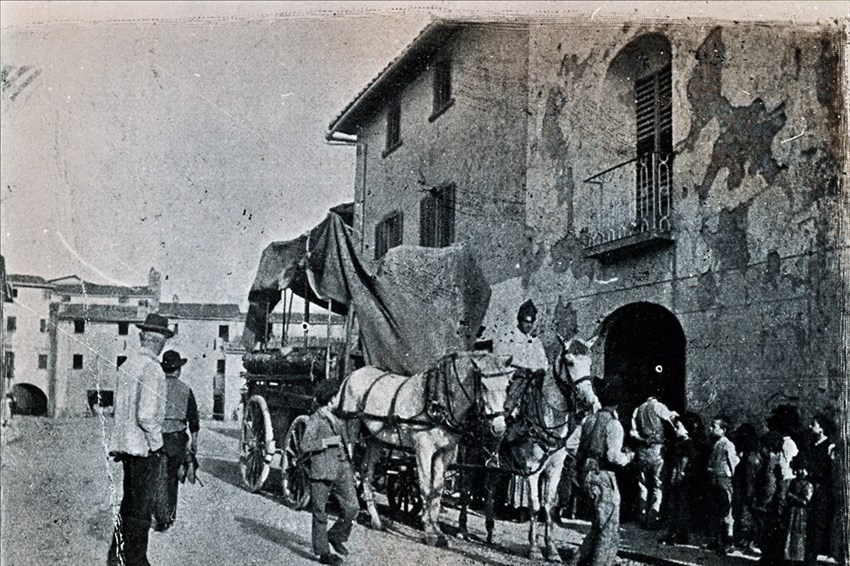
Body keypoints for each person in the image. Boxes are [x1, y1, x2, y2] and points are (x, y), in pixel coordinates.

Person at [107, 313, 173, 566]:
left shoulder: (127, 365)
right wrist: (158, 444)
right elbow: (146, 415)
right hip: (143, 448)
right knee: (141, 509)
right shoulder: (152, 369)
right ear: (160, 341)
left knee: (129, 503)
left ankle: (116, 555)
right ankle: (136, 560)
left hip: (125, 446)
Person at [567, 375, 634, 566]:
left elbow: (571, 445)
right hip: (604, 476)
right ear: (617, 404)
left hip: (585, 475)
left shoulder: (588, 420)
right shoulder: (614, 425)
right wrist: (628, 457)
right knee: (609, 526)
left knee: (598, 522)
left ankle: (579, 558)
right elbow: (613, 457)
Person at [493, 299, 549, 517]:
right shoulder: (508, 338)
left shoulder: (536, 343)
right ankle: (497, 449)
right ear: (519, 321)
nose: (528, 325)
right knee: (507, 411)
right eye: (525, 322)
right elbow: (501, 360)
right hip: (514, 382)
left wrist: (538, 370)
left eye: (531, 322)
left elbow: (544, 364)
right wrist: (521, 367)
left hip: (534, 386)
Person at [301, 379, 358, 565]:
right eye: (337, 396)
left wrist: (351, 467)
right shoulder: (316, 419)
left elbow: (346, 445)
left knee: (353, 507)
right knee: (320, 512)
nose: (339, 399)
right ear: (330, 398)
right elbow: (304, 445)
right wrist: (325, 443)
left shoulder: (338, 419)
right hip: (322, 470)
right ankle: (324, 553)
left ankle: (334, 535)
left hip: (342, 468)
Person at [158, 349, 200, 532]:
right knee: (173, 479)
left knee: (157, 477)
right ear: (178, 370)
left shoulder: (156, 386)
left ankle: (158, 515)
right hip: (177, 439)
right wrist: (194, 442)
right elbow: (194, 419)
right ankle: (169, 517)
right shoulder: (186, 389)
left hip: (157, 438)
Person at [630, 395, 678, 529]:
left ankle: (642, 515)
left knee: (643, 484)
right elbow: (672, 422)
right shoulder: (659, 406)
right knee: (658, 484)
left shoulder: (637, 409)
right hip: (657, 449)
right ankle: (653, 518)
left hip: (641, 450)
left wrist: (643, 439)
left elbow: (633, 433)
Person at [705, 415, 740, 555]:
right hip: (715, 480)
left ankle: (728, 542)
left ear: (724, 430)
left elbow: (734, 464)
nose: (711, 429)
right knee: (717, 511)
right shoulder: (717, 443)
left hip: (724, 481)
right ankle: (717, 540)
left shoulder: (727, 444)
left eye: (714, 427)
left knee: (727, 512)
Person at [659, 416, 695, 546]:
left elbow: (684, 461)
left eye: (678, 427)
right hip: (679, 477)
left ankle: (676, 534)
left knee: (679, 506)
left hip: (681, 478)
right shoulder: (681, 442)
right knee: (677, 506)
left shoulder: (686, 444)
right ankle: (677, 533)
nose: (676, 429)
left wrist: (678, 475)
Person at [805, 412, 835, 565]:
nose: (810, 427)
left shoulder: (829, 446)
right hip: (810, 487)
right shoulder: (811, 444)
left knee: (819, 521)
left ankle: (815, 554)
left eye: (814, 425)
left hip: (822, 488)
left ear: (821, 428)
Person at [733, 422, 764, 556]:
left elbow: (749, 479)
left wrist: (749, 495)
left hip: (746, 493)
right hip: (747, 492)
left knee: (746, 517)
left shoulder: (749, 458)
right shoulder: (754, 455)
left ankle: (747, 542)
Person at [783, 455, 813, 565]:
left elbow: (805, 501)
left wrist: (791, 496)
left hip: (800, 514)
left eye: (804, 469)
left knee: (798, 537)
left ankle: (797, 559)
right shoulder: (793, 482)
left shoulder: (807, 485)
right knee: (789, 537)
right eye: (799, 469)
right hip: (791, 513)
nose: (801, 472)